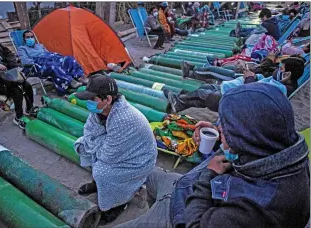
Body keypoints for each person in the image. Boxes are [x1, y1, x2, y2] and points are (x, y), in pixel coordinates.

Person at [115, 82, 310, 228]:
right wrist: (219, 137)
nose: (219, 128)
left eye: (226, 127)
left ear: (245, 138)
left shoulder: (255, 207)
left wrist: (209, 175)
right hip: (182, 186)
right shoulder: (282, 151)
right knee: (148, 172)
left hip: (181, 214)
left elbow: (195, 224)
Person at [73, 74, 157, 224]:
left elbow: (108, 156)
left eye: (93, 99)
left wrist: (96, 144)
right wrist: (96, 143)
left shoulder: (124, 118)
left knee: (102, 171)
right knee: (82, 146)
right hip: (116, 149)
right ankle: (99, 186)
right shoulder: (100, 110)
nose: (88, 102)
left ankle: (118, 203)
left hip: (138, 159)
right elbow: (89, 131)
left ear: (108, 99)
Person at [165, 56, 305, 112]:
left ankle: (180, 101)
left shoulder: (281, 89)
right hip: (237, 89)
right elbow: (263, 81)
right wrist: (254, 75)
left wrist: (250, 78)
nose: (278, 70)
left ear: (288, 74)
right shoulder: (279, 82)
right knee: (205, 88)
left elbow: (255, 94)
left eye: (281, 69)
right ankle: (181, 103)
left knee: (205, 93)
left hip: (238, 100)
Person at [18, 30, 84, 95]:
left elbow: (48, 53)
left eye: (32, 37)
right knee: (53, 66)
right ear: (24, 39)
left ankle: (78, 77)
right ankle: (69, 83)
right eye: (27, 37)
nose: (30, 39)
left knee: (69, 59)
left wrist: (51, 58)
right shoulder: (22, 49)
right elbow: (24, 62)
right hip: (36, 66)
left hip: (48, 60)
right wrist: (40, 60)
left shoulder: (40, 46)